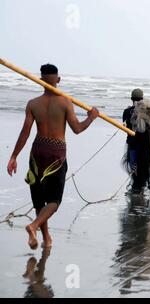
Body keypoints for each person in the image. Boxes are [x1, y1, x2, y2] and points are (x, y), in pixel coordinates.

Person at [6, 64, 99, 250]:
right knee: (54, 201)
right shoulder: (65, 102)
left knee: (39, 199)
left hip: (37, 150)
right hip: (56, 152)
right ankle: (33, 226)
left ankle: (45, 238)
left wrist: (14, 156)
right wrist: (92, 117)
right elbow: (77, 129)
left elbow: (25, 132)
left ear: (41, 80)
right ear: (58, 79)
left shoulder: (33, 104)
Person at [122, 89, 142, 187]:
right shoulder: (147, 111)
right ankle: (141, 186)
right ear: (142, 99)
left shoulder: (127, 111)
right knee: (143, 165)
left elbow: (124, 127)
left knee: (133, 165)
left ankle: (136, 186)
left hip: (132, 143)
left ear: (131, 99)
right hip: (145, 145)